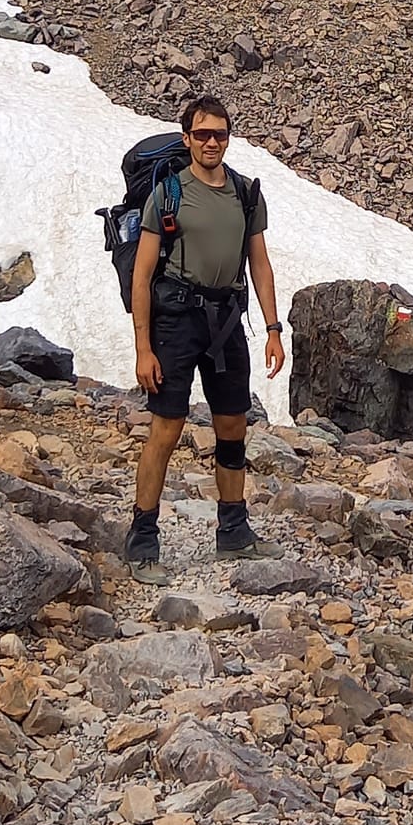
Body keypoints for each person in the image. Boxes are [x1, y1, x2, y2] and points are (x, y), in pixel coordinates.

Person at [125, 94, 284, 567]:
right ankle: (142, 536)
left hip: (227, 323)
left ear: (228, 139)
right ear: (187, 139)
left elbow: (259, 262)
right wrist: (142, 348)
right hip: (176, 321)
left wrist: (273, 328)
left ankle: (233, 529)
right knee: (167, 428)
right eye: (202, 134)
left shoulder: (245, 193)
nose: (211, 142)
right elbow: (142, 273)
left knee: (233, 424)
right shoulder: (168, 193)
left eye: (219, 134)